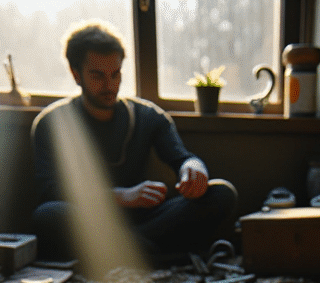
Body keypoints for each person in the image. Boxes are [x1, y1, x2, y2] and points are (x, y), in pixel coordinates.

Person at [31, 21, 237, 264]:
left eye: (115, 74)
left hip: (146, 221)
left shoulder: (148, 116)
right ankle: (155, 257)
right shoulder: (52, 122)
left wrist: (194, 167)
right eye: (97, 76)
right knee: (47, 215)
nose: (110, 86)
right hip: (90, 223)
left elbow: (181, 157)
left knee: (222, 193)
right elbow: (50, 191)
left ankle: (128, 253)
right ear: (76, 74)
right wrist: (122, 196)